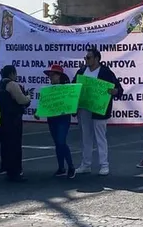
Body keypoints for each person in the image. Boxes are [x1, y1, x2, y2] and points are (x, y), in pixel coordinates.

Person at [74, 46, 123, 175]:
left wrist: (115, 91)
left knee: (100, 137)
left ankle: (104, 165)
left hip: (99, 110)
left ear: (96, 59)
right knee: (86, 137)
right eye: (85, 57)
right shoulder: (82, 71)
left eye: (88, 57)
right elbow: (74, 87)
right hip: (84, 109)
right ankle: (86, 164)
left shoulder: (105, 72)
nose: (86, 60)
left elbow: (119, 89)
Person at [0, 64, 31, 182]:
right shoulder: (12, 84)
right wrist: (28, 97)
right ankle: (16, 171)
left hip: (0, 119)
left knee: (5, 145)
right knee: (15, 146)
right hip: (13, 119)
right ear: (12, 74)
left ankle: (6, 167)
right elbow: (21, 100)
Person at [43, 63, 75, 178]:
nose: (50, 77)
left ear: (59, 76)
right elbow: (44, 104)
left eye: (52, 75)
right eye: (50, 75)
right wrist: (38, 113)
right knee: (57, 143)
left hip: (63, 118)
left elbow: (71, 103)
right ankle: (61, 167)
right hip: (52, 118)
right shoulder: (49, 90)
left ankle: (71, 166)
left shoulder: (66, 89)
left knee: (61, 141)